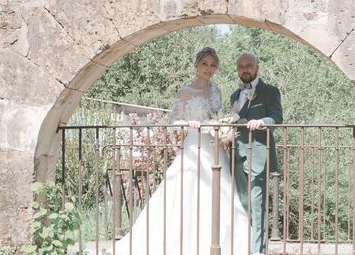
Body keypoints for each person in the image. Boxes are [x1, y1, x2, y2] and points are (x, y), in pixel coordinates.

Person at [114, 47, 248, 255]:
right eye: (205, 64)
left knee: (218, 194)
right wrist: (187, 123)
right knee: (188, 193)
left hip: (214, 148)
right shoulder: (185, 91)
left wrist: (224, 130)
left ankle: (223, 245)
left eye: (213, 65)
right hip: (194, 148)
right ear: (196, 65)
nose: (208, 69)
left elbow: (217, 116)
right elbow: (173, 122)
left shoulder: (217, 91)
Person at [230, 52, 283, 255]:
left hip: (259, 155)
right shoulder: (235, 95)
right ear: (237, 70)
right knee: (243, 204)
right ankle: (245, 247)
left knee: (258, 204)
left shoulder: (270, 91)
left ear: (257, 68)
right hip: (237, 155)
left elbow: (277, 118)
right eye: (241, 66)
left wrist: (262, 122)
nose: (245, 69)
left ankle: (259, 251)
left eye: (249, 65)